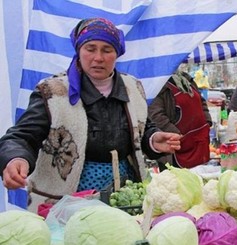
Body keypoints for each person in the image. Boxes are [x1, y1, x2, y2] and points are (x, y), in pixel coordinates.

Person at [0, 18, 181, 207]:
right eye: (90, 48)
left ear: (117, 54)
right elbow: (21, 136)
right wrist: (15, 158)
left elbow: (142, 127)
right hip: (63, 202)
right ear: (79, 51)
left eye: (107, 50)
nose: (98, 58)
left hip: (124, 197)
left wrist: (152, 139)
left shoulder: (132, 88)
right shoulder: (52, 92)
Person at [148, 71, 212, 170]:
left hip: (199, 141)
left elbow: (201, 101)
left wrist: (207, 122)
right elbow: (156, 116)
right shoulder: (156, 85)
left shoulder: (185, 78)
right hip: (177, 146)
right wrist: (179, 136)